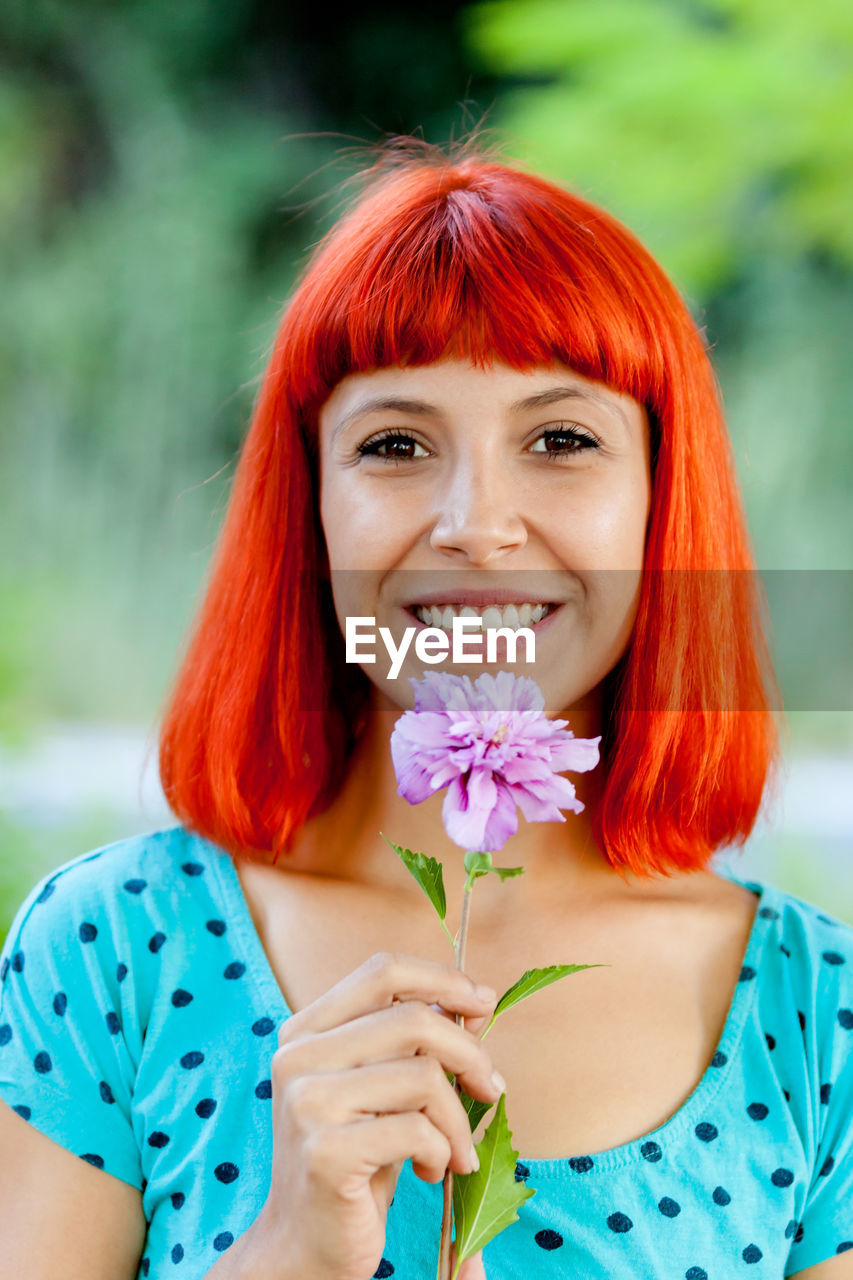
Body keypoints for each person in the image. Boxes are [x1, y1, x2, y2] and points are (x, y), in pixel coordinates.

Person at [1, 142, 851, 1280]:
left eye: (560, 439)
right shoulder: (110, 952)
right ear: (308, 511)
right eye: (394, 445)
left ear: (663, 503)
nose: (475, 524)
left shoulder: (813, 1015)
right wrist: (289, 1251)